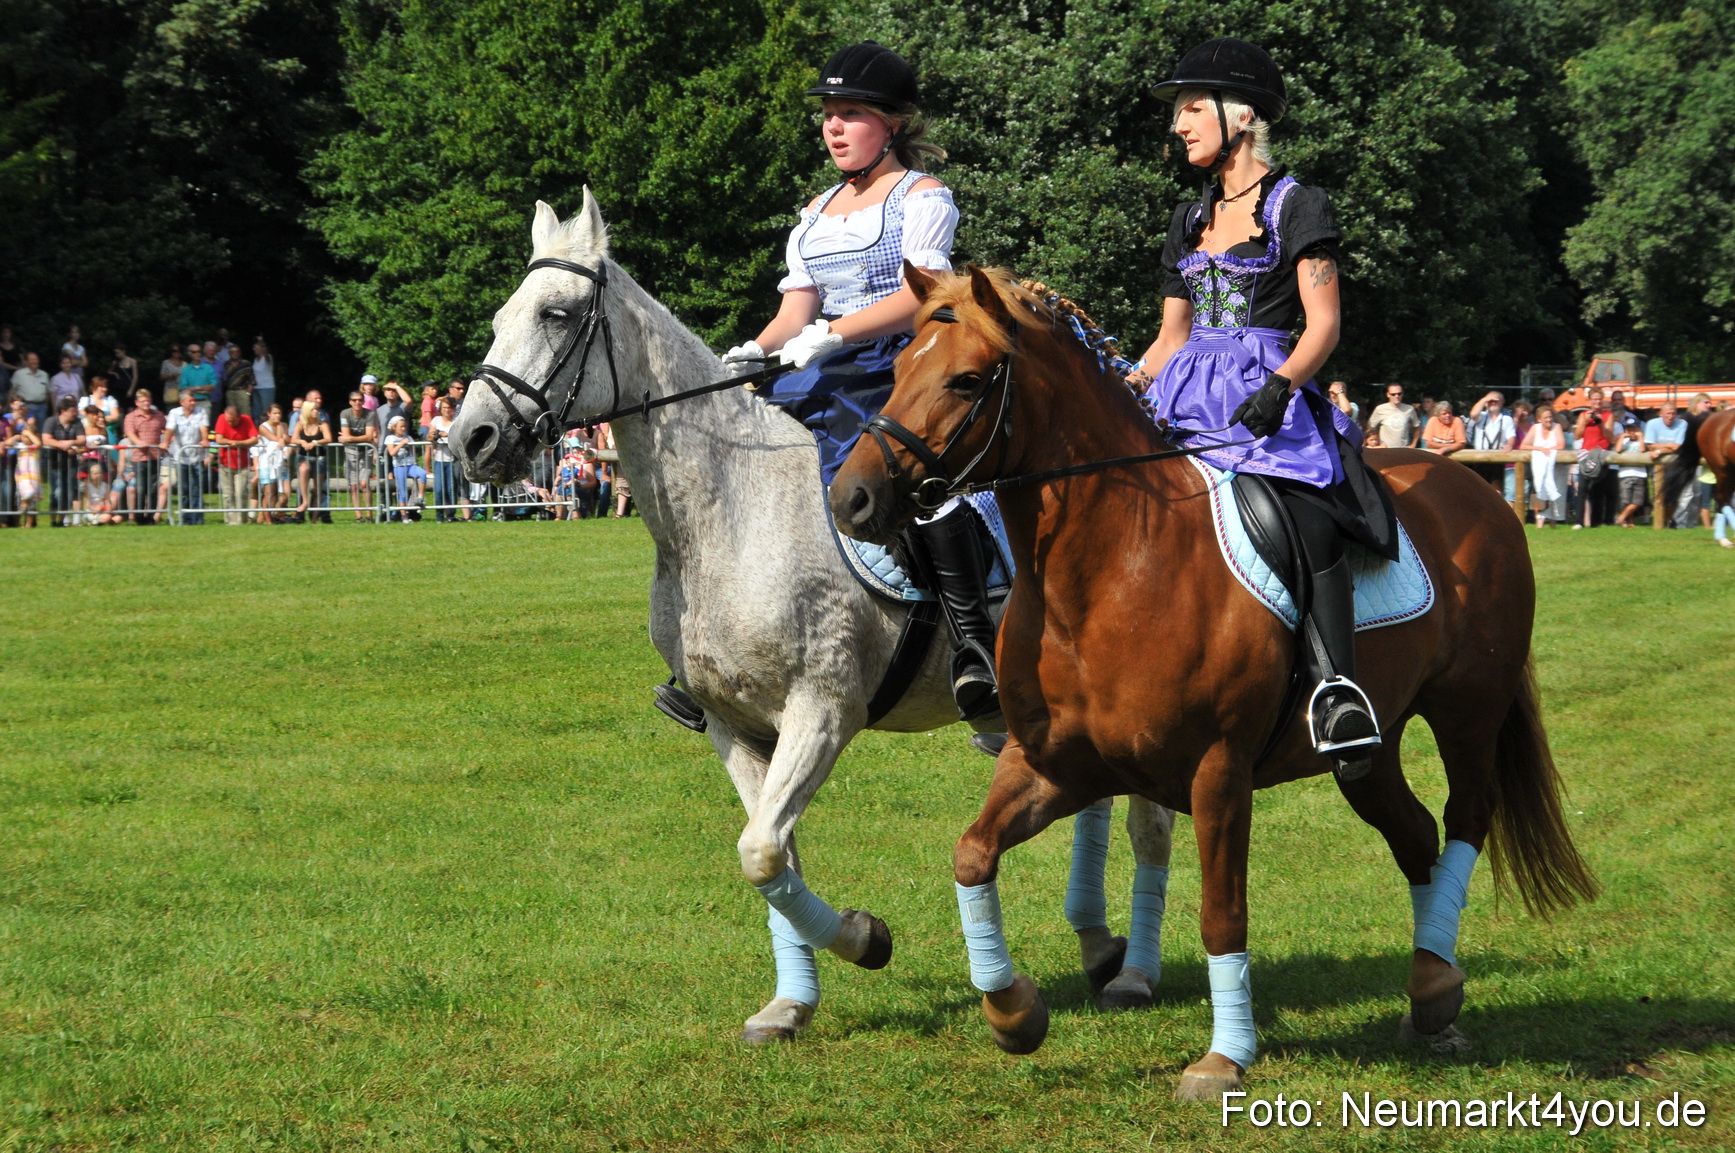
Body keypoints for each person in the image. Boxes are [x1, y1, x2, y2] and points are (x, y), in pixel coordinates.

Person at [1127, 37, 1395, 776]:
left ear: (1240, 116)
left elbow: (1324, 325)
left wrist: (1281, 388)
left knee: (1302, 508)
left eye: (1189, 109)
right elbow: (1169, 337)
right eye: (1176, 112)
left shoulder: (1296, 204)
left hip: (1267, 392)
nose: (1177, 125)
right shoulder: (1187, 217)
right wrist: (1125, 385)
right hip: (1188, 390)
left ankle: (1338, 688)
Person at [717, 40, 997, 720]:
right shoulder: (815, 212)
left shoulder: (921, 197)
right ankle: (722, 647)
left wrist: (833, 335)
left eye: (850, 113)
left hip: (898, 366)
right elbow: (795, 311)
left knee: (908, 475)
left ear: (892, 124)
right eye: (827, 114)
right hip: (821, 360)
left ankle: (972, 644)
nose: (833, 127)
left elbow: (921, 295)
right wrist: (753, 350)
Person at [164, 389, 209, 524]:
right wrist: (165, 442)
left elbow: (204, 428)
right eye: (190, 400)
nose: (193, 403)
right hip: (180, 456)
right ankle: (185, 518)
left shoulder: (201, 412)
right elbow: (170, 429)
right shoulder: (174, 413)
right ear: (182, 402)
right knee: (184, 489)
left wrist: (205, 439)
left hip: (197, 457)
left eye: (194, 400)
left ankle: (198, 518)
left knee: (197, 488)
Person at [122, 389, 167, 524]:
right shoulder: (131, 417)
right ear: (137, 403)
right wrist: (138, 442)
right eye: (143, 401)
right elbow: (130, 433)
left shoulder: (158, 415)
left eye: (148, 400)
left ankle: (151, 517)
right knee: (141, 488)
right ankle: (139, 516)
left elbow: (166, 430)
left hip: (155, 456)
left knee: (153, 489)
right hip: (139, 457)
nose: (146, 403)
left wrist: (165, 442)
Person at [39, 397, 85, 526]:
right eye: (72, 410)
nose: (75, 413)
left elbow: (82, 439)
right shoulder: (51, 421)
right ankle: (54, 519)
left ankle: (62, 519)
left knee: (69, 491)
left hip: (71, 463)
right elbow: (46, 440)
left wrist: (71, 442)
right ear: (63, 411)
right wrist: (61, 445)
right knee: (57, 491)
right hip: (54, 463)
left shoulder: (77, 422)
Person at [1519, 404, 1567, 527]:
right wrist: (1539, 449)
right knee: (1538, 492)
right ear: (1539, 419)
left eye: (1550, 417)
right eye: (1545, 417)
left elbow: (1561, 445)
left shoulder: (1557, 427)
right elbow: (1524, 445)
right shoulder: (1535, 428)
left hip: (1555, 467)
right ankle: (1538, 523)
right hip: (1539, 468)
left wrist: (1549, 450)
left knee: (1555, 490)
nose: (1549, 420)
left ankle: (1553, 523)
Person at [213, 400, 259, 525]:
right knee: (228, 494)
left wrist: (240, 443)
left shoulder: (247, 420)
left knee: (240, 493)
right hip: (225, 463)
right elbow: (219, 439)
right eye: (228, 421)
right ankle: (230, 521)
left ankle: (241, 521)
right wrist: (230, 442)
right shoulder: (221, 418)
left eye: (232, 421)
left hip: (242, 465)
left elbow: (254, 438)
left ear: (239, 417)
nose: (230, 423)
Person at [337, 389, 378, 522]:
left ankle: (369, 514)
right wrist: (352, 438)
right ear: (350, 402)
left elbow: (369, 436)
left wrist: (349, 438)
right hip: (350, 453)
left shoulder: (370, 414)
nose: (357, 403)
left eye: (360, 400)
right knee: (353, 485)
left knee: (364, 483)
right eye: (354, 400)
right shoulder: (345, 413)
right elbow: (347, 433)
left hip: (366, 451)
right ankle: (358, 515)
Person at [290, 399, 331, 522]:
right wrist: (302, 441)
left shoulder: (322, 424)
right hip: (305, 457)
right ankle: (305, 501)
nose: (316, 412)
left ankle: (313, 518)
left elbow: (328, 438)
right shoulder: (300, 424)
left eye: (316, 409)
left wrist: (315, 442)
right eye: (313, 409)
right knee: (303, 469)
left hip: (320, 458)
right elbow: (293, 439)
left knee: (318, 488)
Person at [383, 415, 426, 519]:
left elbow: (414, 450)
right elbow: (392, 452)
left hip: (410, 465)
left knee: (422, 473)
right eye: (401, 426)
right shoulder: (390, 438)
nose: (403, 429)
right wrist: (401, 444)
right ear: (394, 427)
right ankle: (404, 516)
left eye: (404, 426)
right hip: (399, 466)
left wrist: (410, 444)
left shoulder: (408, 437)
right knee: (402, 492)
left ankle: (420, 498)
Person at [253, 403, 290, 524]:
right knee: (269, 492)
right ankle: (268, 519)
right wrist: (280, 429)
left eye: (279, 413)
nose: (277, 416)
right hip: (266, 462)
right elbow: (276, 439)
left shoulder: (284, 425)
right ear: (269, 414)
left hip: (279, 463)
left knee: (283, 494)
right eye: (274, 413)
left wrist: (281, 430)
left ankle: (272, 515)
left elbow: (286, 439)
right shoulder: (263, 427)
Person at [427, 395, 460, 521]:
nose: (447, 410)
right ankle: (439, 515)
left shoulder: (457, 421)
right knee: (439, 489)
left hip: (453, 459)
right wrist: (434, 436)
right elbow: (429, 437)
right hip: (440, 459)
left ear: (453, 409)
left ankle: (451, 514)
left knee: (452, 488)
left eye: (449, 407)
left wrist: (448, 434)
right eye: (444, 407)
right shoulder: (436, 420)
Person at [1365, 383, 1420, 449]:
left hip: (1404, 449)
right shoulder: (1380, 409)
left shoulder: (1409, 409)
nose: (1396, 396)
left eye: (1399, 394)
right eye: (1393, 394)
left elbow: (1417, 427)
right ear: (1388, 395)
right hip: (1385, 449)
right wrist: (1374, 443)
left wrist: (1413, 444)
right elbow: (1370, 428)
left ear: (1402, 394)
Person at [13, 413, 40, 527]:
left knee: (32, 500)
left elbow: (38, 443)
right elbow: (8, 443)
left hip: (33, 476)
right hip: (22, 476)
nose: (26, 438)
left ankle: (29, 524)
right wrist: (17, 437)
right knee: (22, 496)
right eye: (24, 436)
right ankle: (19, 522)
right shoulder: (20, 446)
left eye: (29, 437)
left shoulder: (33, 447)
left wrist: (28, 433)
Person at [11, 351, 50, 427]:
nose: (35, 361)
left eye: (36, 359)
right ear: (26, 362)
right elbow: (12, 390)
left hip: (42, 407)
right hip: (25, 407)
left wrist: (46, 404)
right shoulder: (19, 374)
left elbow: (49, 392)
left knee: (41, 430)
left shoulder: (44, 374)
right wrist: (11, 406)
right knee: (27, 429)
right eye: (32, 359)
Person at [178, 344, 217, 416]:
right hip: (190, 402)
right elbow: (183, 388)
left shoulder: (208, 368)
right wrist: (204, 391)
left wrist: (195, 388)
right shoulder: (186, 370)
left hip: (205, 402)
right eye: (194, 352)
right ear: (189, 354)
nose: (197, 354)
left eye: (199, 351)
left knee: (204, 426)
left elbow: (213, 385)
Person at [83, 374, 121, 443]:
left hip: (109, 432)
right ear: (95, 387)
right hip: (90, 432)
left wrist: (97, 419)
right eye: (102, 387)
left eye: (105, 387)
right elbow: (83, 414)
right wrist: (101, 419)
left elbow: (116, 416)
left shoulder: (110, 400)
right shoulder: (86, 400)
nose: (105, 389)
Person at [250, 337, 276, 423]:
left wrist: (261, 341)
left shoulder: (268, 358)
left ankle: (267, 431)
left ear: (261, 348)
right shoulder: (255, 360)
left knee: (266, 412)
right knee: (256, 412)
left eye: (256, 347)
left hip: (267, 388)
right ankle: (257, 431)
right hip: (256, 388)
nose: (254, 349)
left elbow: (265, 352)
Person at [109, 345, 139, 410]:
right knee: (120, 407)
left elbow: (135, 376)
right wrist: (115, 373)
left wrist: (131, 389)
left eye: (118, 352)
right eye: (115, 353)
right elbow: (109, 371)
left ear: (123, 351)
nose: (117, 355)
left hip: (128, 386)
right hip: (119, 387)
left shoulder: (132, 361)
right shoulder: (116, 362)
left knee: (130, 407)